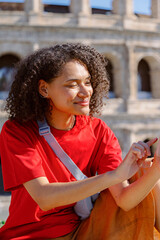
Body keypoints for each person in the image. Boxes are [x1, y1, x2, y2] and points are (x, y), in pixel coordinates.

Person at [0, 43, 159, 240]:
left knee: (153, 183)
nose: (85, 92)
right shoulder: (18, 131)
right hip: (33, 234)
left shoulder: (99, 129)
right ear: (44, 89)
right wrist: (114, 176)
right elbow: (44, 197)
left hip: (84, 228)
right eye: (72, 84)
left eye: (88, 82)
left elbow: (125, 201)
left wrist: (157, 168)